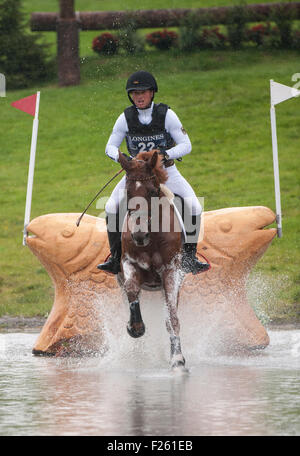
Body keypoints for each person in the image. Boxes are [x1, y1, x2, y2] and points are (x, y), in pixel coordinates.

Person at [97, 70, 209, 275]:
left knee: (194, 206)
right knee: (111, 206)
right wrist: (125, 159)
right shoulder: (125, 118)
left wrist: (166, 154)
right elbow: (109, 147)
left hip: (167, 172)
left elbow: (186, 145)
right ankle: (115, 258)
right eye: (134, 93)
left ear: (152, 93)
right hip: (136, 175)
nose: (139, 96)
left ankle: (190, 258)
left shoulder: (166, 115)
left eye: (143, 92)